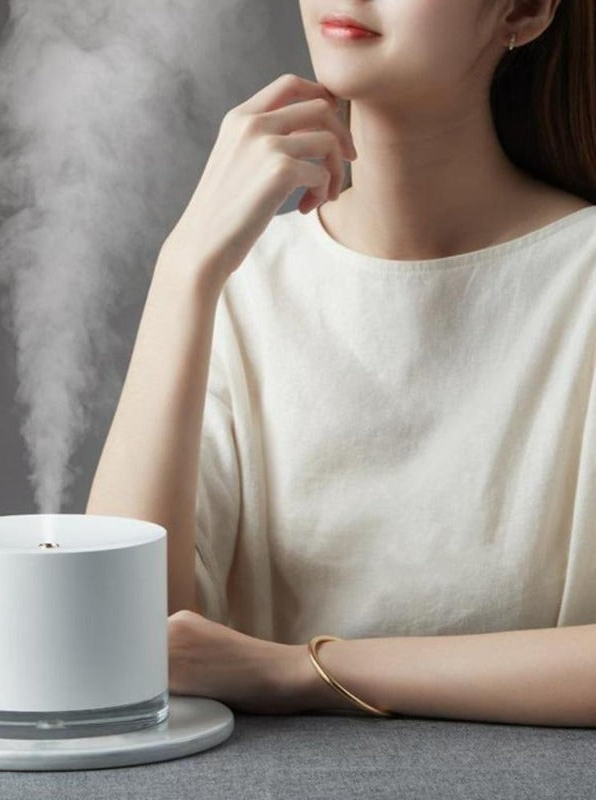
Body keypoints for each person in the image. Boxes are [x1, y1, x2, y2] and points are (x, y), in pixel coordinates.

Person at [87, 0, 596, 723]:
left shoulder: (584, 283)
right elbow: (112, 643)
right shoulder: (238, 286)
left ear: (524, 9)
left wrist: (299, 672)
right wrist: (182, 273)